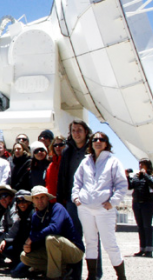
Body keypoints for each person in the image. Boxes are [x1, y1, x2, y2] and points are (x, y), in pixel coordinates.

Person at [71, 131, 128, 280]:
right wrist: (76, 197)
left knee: (110, 244)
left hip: (104, 209)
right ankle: (92, 276)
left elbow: (122, 185)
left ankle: (121, 276)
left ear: (106, 143)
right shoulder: (86, 162)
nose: (97, 141)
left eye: (101, 139)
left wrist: (113, 202)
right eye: (94, 139)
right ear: (91, 143)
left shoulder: (113, 161)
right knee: (90, 242)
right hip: (85, 209)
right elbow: (77, 181)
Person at [56, 119, 96, 280]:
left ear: (86, 132)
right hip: (73, 200)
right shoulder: (67, 151)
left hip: (91, 200)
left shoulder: (93, 149)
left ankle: (95, 273)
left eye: (79, 130)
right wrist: (61, 200)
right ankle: (75, 274)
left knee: (92, 238)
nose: (76, 133)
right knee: (74, 237)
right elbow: (62, 176)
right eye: (74, 130)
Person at [20, 186, 84, 280]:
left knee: (51, 239)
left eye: (42, 197)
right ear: (32, 200)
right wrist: (29, 247)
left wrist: (32, 238)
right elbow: (36, 239)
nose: (40, 201)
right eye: (36, 198)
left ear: (47, 198)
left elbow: (55, 228)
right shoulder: (35, 216)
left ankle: (53, 277)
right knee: (24, 256)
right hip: (53, 252)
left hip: (74, 251)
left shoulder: (57, 208)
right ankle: (63, 269)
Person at [127, 158, 153, 258]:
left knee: (147, 226)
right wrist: (127, 177)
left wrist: (145, 174)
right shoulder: (137, 176)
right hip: (137, 204)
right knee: (140, 227)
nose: (140, 166)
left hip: (148, 204)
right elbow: (130, 186)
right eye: (140, 164)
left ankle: (149, 250)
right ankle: (142, 249)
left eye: (143, 164)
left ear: (148, 165)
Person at [0, 190, 33, 275]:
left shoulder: (33, 214)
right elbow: (18, 236)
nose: (21, 204)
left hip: (33, 250)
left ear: (30, 202)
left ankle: (33, 267)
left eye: (24, 201)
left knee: (15, 273)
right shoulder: (21, 214)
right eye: (19, 201)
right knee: (5, 249)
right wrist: (5, 240)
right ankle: (19, 263)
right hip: (24, 248)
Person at [45, 136, 66, 202]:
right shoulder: (51, 165)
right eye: (55, 145)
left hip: (65, 201)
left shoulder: (68, 162)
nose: (57, 147)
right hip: (52, 201)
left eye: (61, 145)